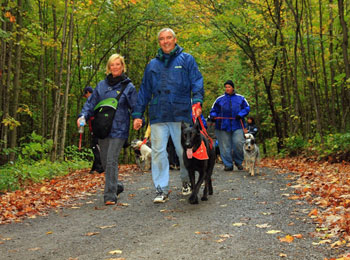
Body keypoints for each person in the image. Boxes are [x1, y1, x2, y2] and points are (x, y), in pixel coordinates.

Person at [132, 28, 204, 203]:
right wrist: (138, 114)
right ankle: (161, 189)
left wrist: (198, 101)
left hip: (181, 113)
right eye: (162, 39)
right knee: (158, 152)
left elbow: (197, 81)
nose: (166, 41)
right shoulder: (152, 65)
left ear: (175, 39)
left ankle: (187, 181)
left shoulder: (186, 60)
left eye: (169, 38)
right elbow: (144, 91)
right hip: (159, 114)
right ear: (159, 42)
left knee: (183, 151)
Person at [77, 53, 138, 205]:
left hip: (119, 129)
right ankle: (116, 186)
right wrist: (82, 116)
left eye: (118, 64)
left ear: (122, 66)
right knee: (104, 162)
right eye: (112, 65)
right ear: (108, 68)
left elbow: (135, 106)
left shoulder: (128, 87)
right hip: (102, 129)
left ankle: (110, 195)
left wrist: (138, 118)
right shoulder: (101, 86)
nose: (115, 67)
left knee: (111, 160)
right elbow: (90, 104)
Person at [209, 80, 250, 171]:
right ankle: (228, 164)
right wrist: (213, 116)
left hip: (237, 125)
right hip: (222, 126)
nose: (227, 89)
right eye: (226, 87)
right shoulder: (220, 99)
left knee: (239, 143)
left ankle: (238, 161)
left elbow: (247, 108)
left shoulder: (241, 98)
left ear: (233, 88)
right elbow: (213, 110)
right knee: (224, 146)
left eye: (229, 87)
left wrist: (241, 114)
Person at [82, 86, 104, 174]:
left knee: (95, 147)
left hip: (96, 128)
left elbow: (89, 112)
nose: (86, 97)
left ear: (88, 92)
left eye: (85, 95)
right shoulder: (99, 98)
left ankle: (100, 167)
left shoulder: (93, 100)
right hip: (100, 127)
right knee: (96, 146)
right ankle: (94, 168)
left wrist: (84, 119)